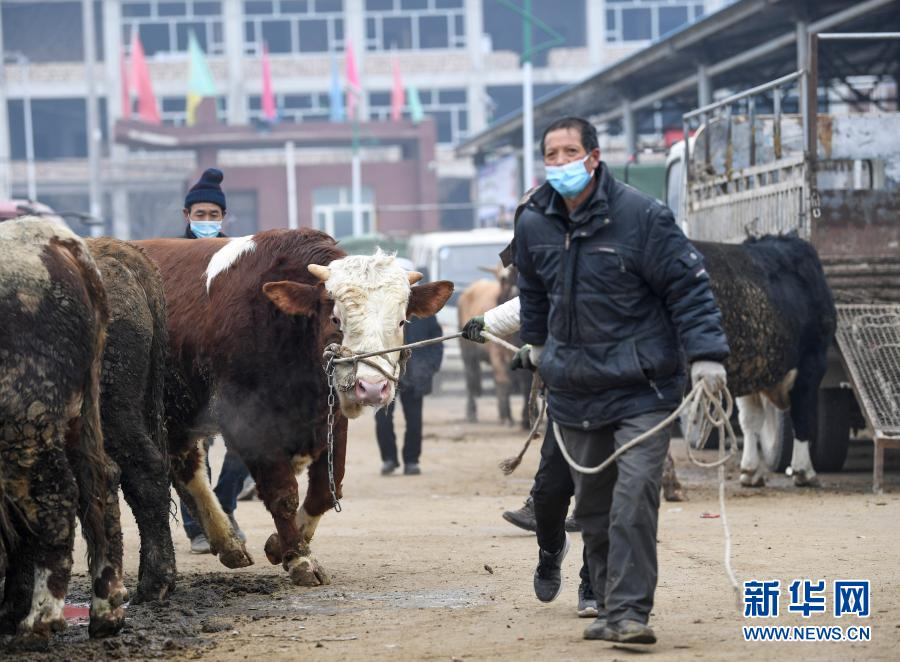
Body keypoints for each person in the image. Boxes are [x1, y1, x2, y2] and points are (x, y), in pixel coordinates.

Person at [505, 117, 729, 644]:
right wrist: (535, 346)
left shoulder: (643, 218)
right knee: (597, 510)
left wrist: (707, 356)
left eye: (570, 152)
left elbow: (689, 289)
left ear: (594, 156)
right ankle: (607, 605)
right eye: (551, 154)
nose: (560, 162)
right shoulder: (533, 222)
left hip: (642, 388)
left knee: (634, 499)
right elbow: (533, 292)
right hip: (575, 390)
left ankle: (630, 613)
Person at [462, 298, 598, 619]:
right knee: (549, 494)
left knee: (600, 498)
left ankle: (594, 581)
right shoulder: (566, 257)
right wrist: (491, 323)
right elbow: (541, 293)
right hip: (568, 401)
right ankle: (551, 550)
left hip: (619, 395)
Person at [179, 167, 253, 553]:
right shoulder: (171, 256)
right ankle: (197, 526)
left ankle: (223, 507)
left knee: (245, 438)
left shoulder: (239, 256)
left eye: (213, 215)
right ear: (186, 215)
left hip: (228, 363)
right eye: (199, 214)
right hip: (184, 363)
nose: (206, 222)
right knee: (191, 446)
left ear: (223, 218)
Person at [375, 257, 444, 476]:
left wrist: (429, 368)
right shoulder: (376, 309)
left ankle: (412, 461)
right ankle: (388, 459)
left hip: (416, 374)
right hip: (385, 373)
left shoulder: (424, 311)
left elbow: (436, 341)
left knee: (414, 421)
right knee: (383, 420)